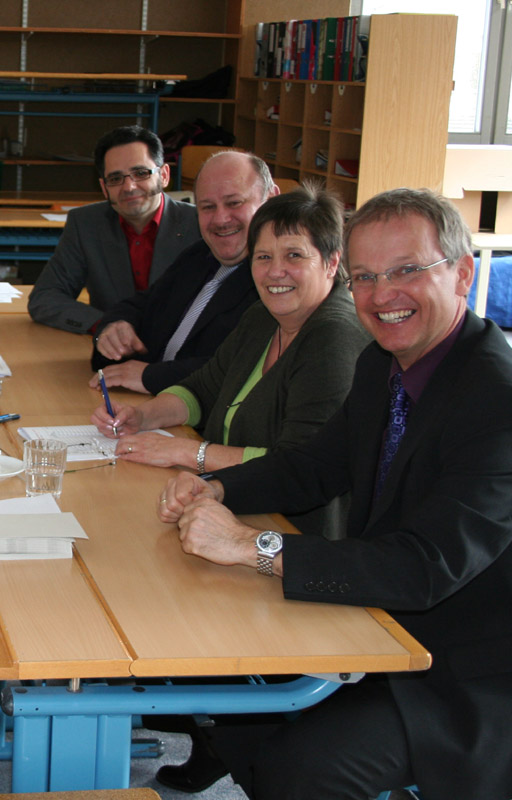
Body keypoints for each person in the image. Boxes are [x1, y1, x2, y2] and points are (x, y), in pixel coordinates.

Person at [154, 188, 512, 800]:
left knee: (301, 766)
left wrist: (253, 546)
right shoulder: (383, 363)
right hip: (378, 621)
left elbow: (423, 567)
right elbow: (316, 467)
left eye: (406, 270)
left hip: (463, 669)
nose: (382, 294)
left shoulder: (496, 401)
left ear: (461, 273)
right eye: (366, 276)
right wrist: (216, 486)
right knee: (221, 679)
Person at [93, 182, 370, 542]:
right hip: (230, 505)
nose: (275, 271)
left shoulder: (334, 338)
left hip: (290, 534)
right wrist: (143, 417)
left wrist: (189, 452)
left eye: (294, 256)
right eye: (263, 257)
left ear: (331, 262)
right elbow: (203, 388)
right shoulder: (262, 317)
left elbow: (298, 465)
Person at [86, 151, 276, 394]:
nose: (220, 219)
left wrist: (151, 376)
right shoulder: (198, 255)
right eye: (207, 207)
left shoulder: (277, 279)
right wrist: (114, 328)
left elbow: (245, 367)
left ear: (271, 200)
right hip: (144, 405)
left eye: (234, 203)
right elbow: (144, 304)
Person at [27, 126, 200, 334]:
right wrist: (107, 324)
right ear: (104, 187)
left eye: (141, 173)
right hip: (114, 348)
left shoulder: (199, 224)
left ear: (163, 175)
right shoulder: (85, 224)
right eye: (116, 179)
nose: (129, 187)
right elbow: (44, 297)